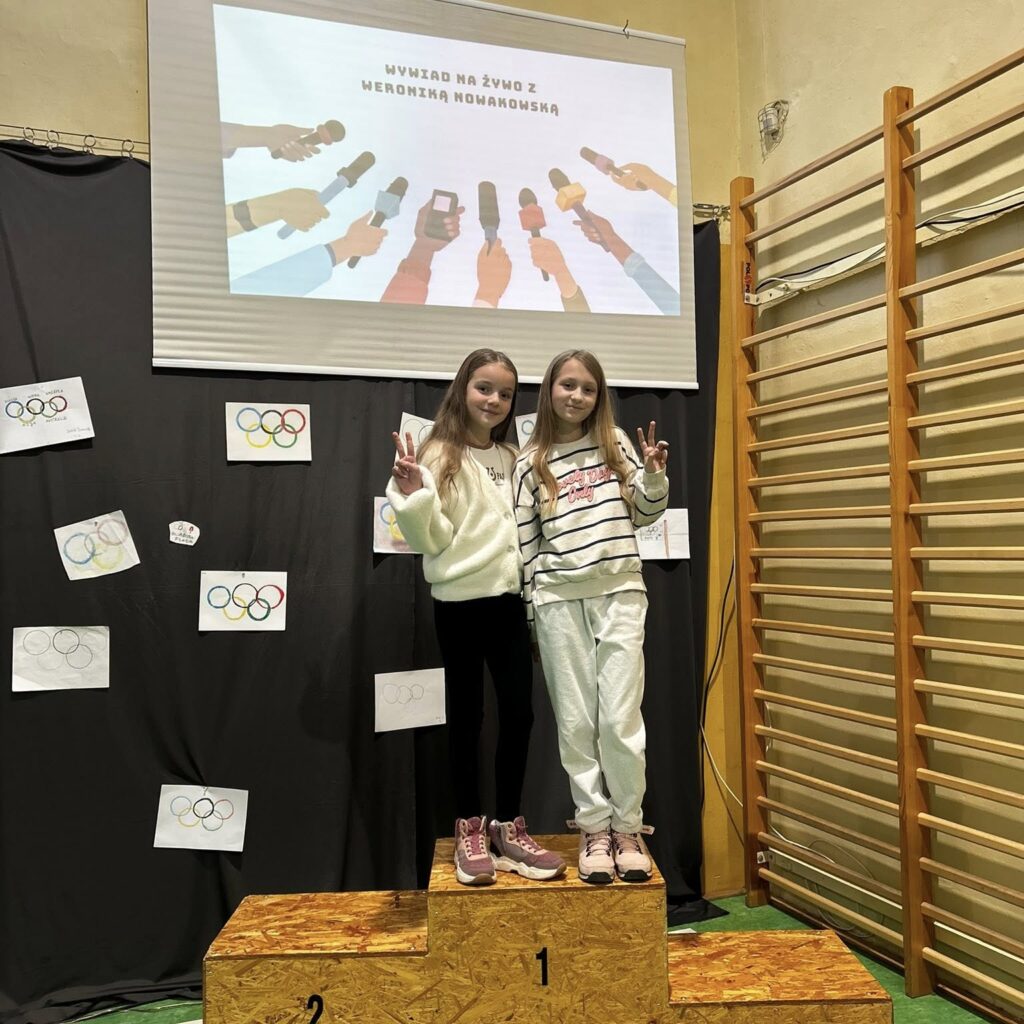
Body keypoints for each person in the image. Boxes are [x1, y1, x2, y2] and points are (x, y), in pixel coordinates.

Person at [387, 349, 566, 886]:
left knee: (520, 715)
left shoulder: (513, 457)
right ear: (463, 389)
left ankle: (509, 827)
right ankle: (469, 828)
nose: (494, 400)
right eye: (484, 388)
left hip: (509, 602)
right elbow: (432, 539)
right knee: (466, 719)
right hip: (459, 604)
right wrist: (413, 497)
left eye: (505, 393)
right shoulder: (438, 453)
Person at [513, 349, 669, 884]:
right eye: (567, 385)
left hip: (620, 591)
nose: (577, 396)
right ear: (549, 390)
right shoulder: (529, 463)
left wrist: (653, 478)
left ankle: (628, 827)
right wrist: (531, 620)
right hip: (557, 601)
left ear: (599, 397)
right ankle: (594, 828)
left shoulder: (615, 444)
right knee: (576, 723)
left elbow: (645, 513)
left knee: (620, 720)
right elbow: (526, 549)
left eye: (588, 388)